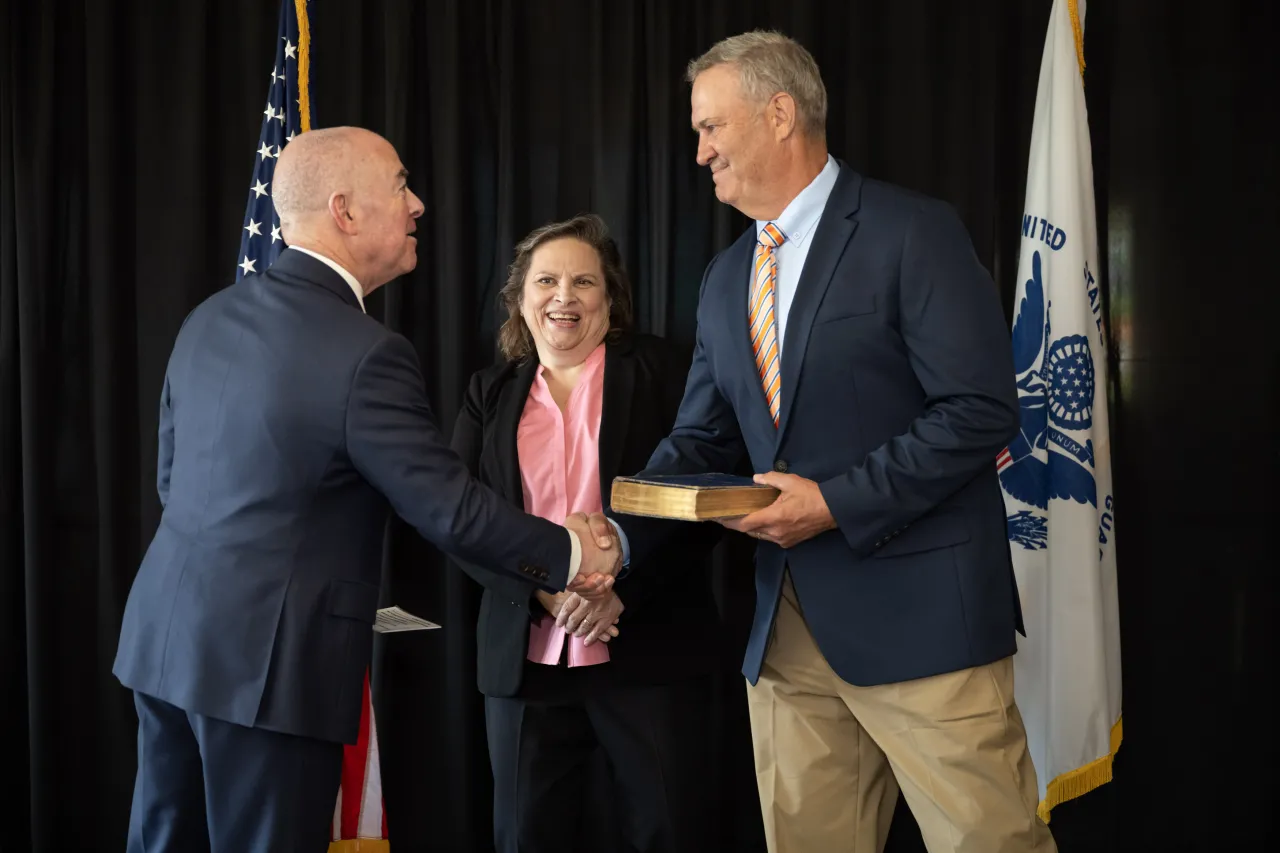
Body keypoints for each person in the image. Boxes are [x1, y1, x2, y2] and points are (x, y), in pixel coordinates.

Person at [595, 32, 1057, 853]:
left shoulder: (913, 231)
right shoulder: (726, 275)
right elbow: (703, 435)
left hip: (925, 627)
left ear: (780, 114)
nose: (698, 152)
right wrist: (620, 532)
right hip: (785, 634)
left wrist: (835, 502)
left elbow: (980, 409)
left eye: (711, 127)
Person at [111, 127, 621, 853]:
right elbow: (448, 507)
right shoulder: (367, 354)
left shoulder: (209, 317)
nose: (418, 203)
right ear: (345, 211)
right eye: (400, 185)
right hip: (267, 674)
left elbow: (172, 481)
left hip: (164, 646)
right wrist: (575, 553)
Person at [449, 214, 723, 853]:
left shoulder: (662, 371)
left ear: (610, 296)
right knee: (524, 837)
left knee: (671, 831)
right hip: (526, 657)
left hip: (648, 642)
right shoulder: (488, 394)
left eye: (583, 282)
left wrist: (619, 591)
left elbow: (701, 496)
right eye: (546, 281)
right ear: (521, 297)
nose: (563, 297)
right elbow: (459, 519)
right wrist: (543, 591)